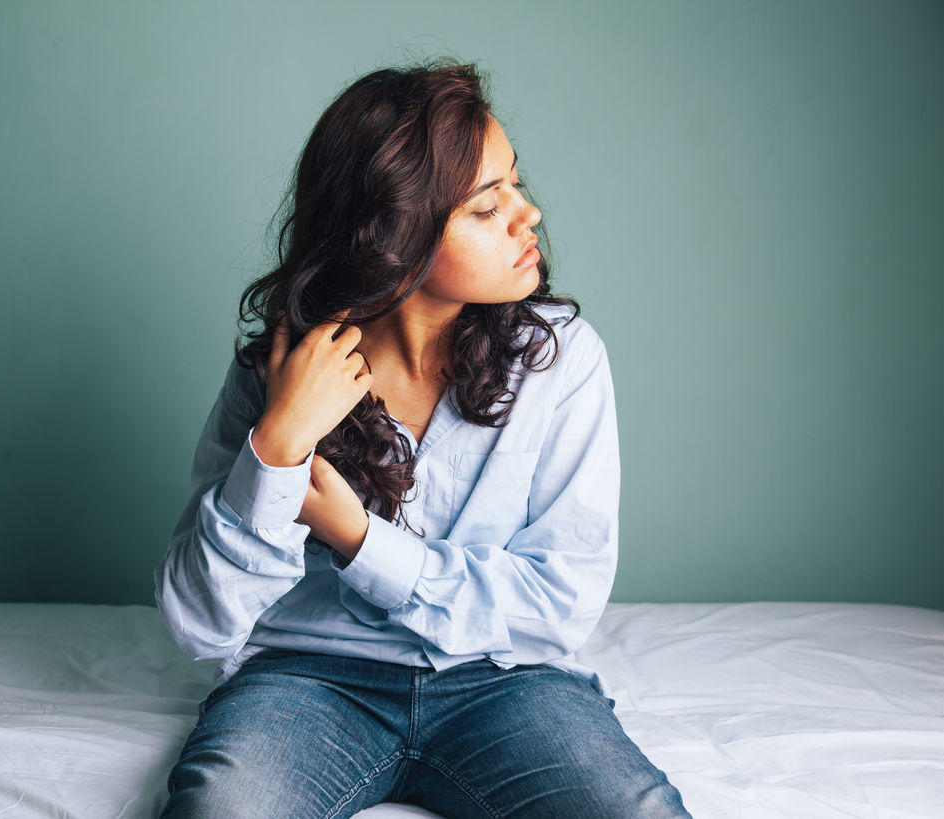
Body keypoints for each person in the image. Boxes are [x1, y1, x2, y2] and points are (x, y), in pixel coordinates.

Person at [154, 61, 691, 818]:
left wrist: (358, 539)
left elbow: (559, 602)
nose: (527, 213)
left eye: (515, 182)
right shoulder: (283, 374)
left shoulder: (562, 361)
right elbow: (198, 624)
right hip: (305, 681)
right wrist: (276, 444)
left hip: (506, 681)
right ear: (392, 236)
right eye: (485, 206)